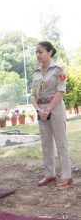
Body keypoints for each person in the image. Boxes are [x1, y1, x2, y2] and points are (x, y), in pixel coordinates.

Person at [31, 41, 73, 188]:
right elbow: (32, 95)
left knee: (61, 143)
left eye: (40, 51)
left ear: (50, 52)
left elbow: (60, 92)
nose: (37, 55)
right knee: (46, 143)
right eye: (36, 52)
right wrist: (38, 109)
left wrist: (48, 109)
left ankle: (67, 176)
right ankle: (50, 174)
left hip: (55, 108)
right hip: (41, 110)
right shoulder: (36, 73)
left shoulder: (59, 70)